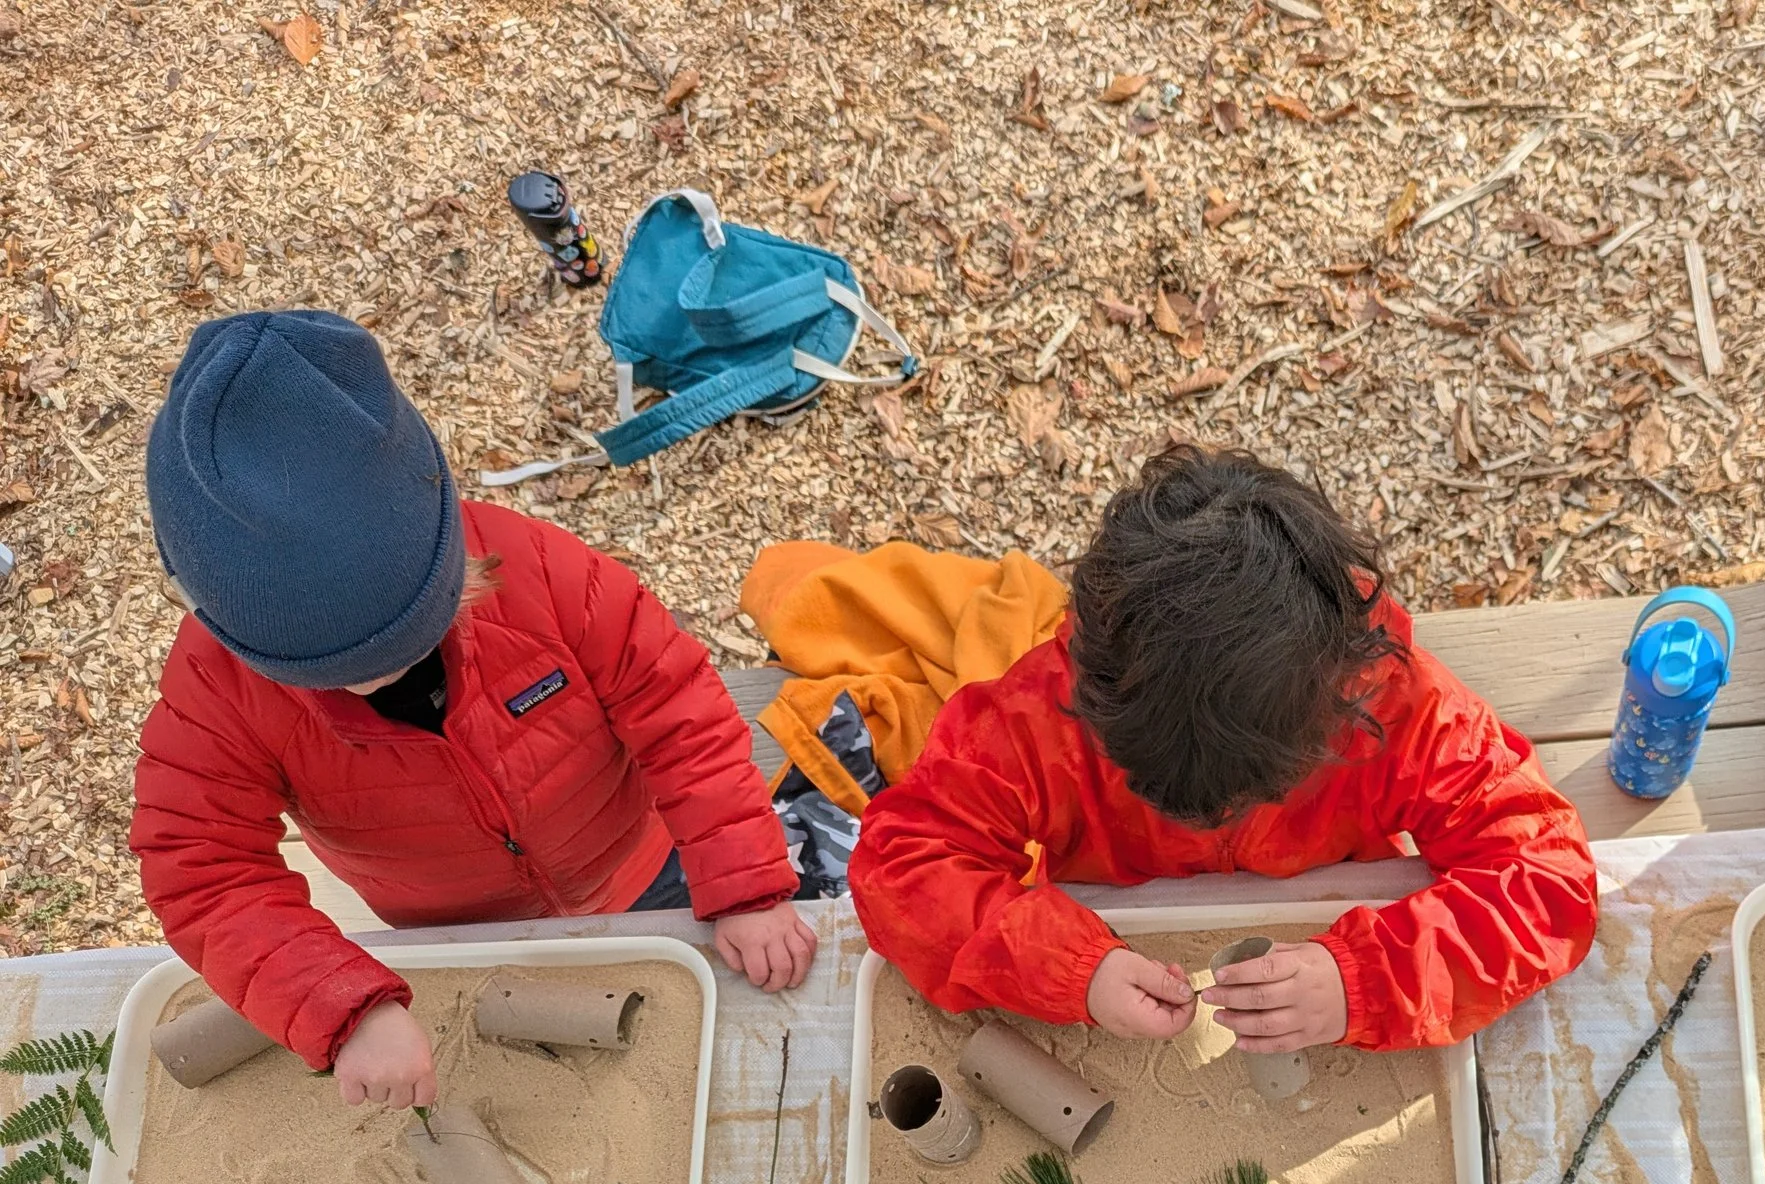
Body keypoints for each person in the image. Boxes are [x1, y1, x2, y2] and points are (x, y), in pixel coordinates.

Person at [133, 310, 816, 1109]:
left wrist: (741, 883)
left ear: (443, 535)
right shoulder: (217, 695)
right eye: (336, 672)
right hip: (453, 935)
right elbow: (201, 871)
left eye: (422, 623)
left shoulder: (539, 571)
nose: (389, 673)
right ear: (234, 629)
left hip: (643, 861)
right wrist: (343, 1006)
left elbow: (678, 707)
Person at [848, 444, 1598, 1053]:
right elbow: (900, 868)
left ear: (1337, 701)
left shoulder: (1389, 699)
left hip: (1328, 929)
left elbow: (1549, 879)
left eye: (1249, 795)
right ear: (1095, 693)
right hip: (1121, 938)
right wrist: (1077, 971)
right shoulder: (1040, 715)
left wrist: (1363, 983)